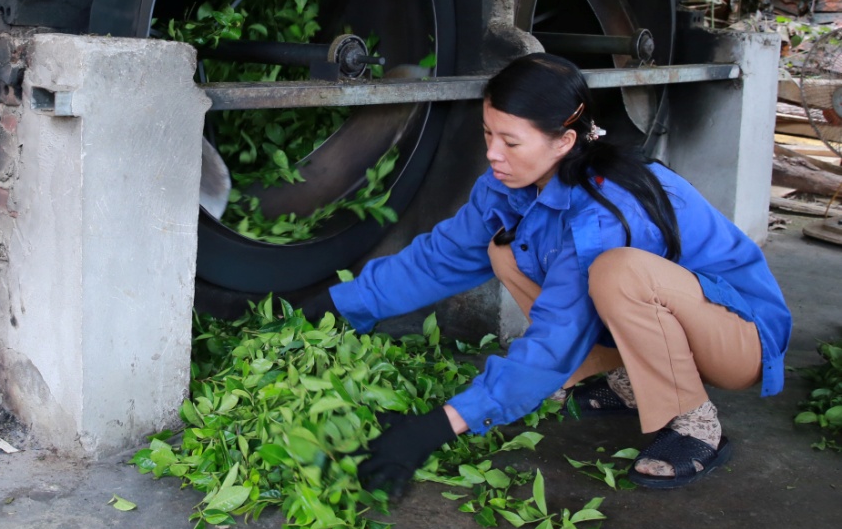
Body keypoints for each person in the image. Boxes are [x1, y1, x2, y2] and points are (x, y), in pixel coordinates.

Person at [307, 53, 791, 492]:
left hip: (737, 336)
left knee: (617, 274)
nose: (494, 153)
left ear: (564, 140)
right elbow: (441, 256)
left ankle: (694, 424)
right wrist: (339, 303)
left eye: (511, 141)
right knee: (504, 250)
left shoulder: (608, 211)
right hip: (669, 319)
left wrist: (442, 424)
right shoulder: (509, 183)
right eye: (488, 134)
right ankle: (626, 379)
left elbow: (558, 336)